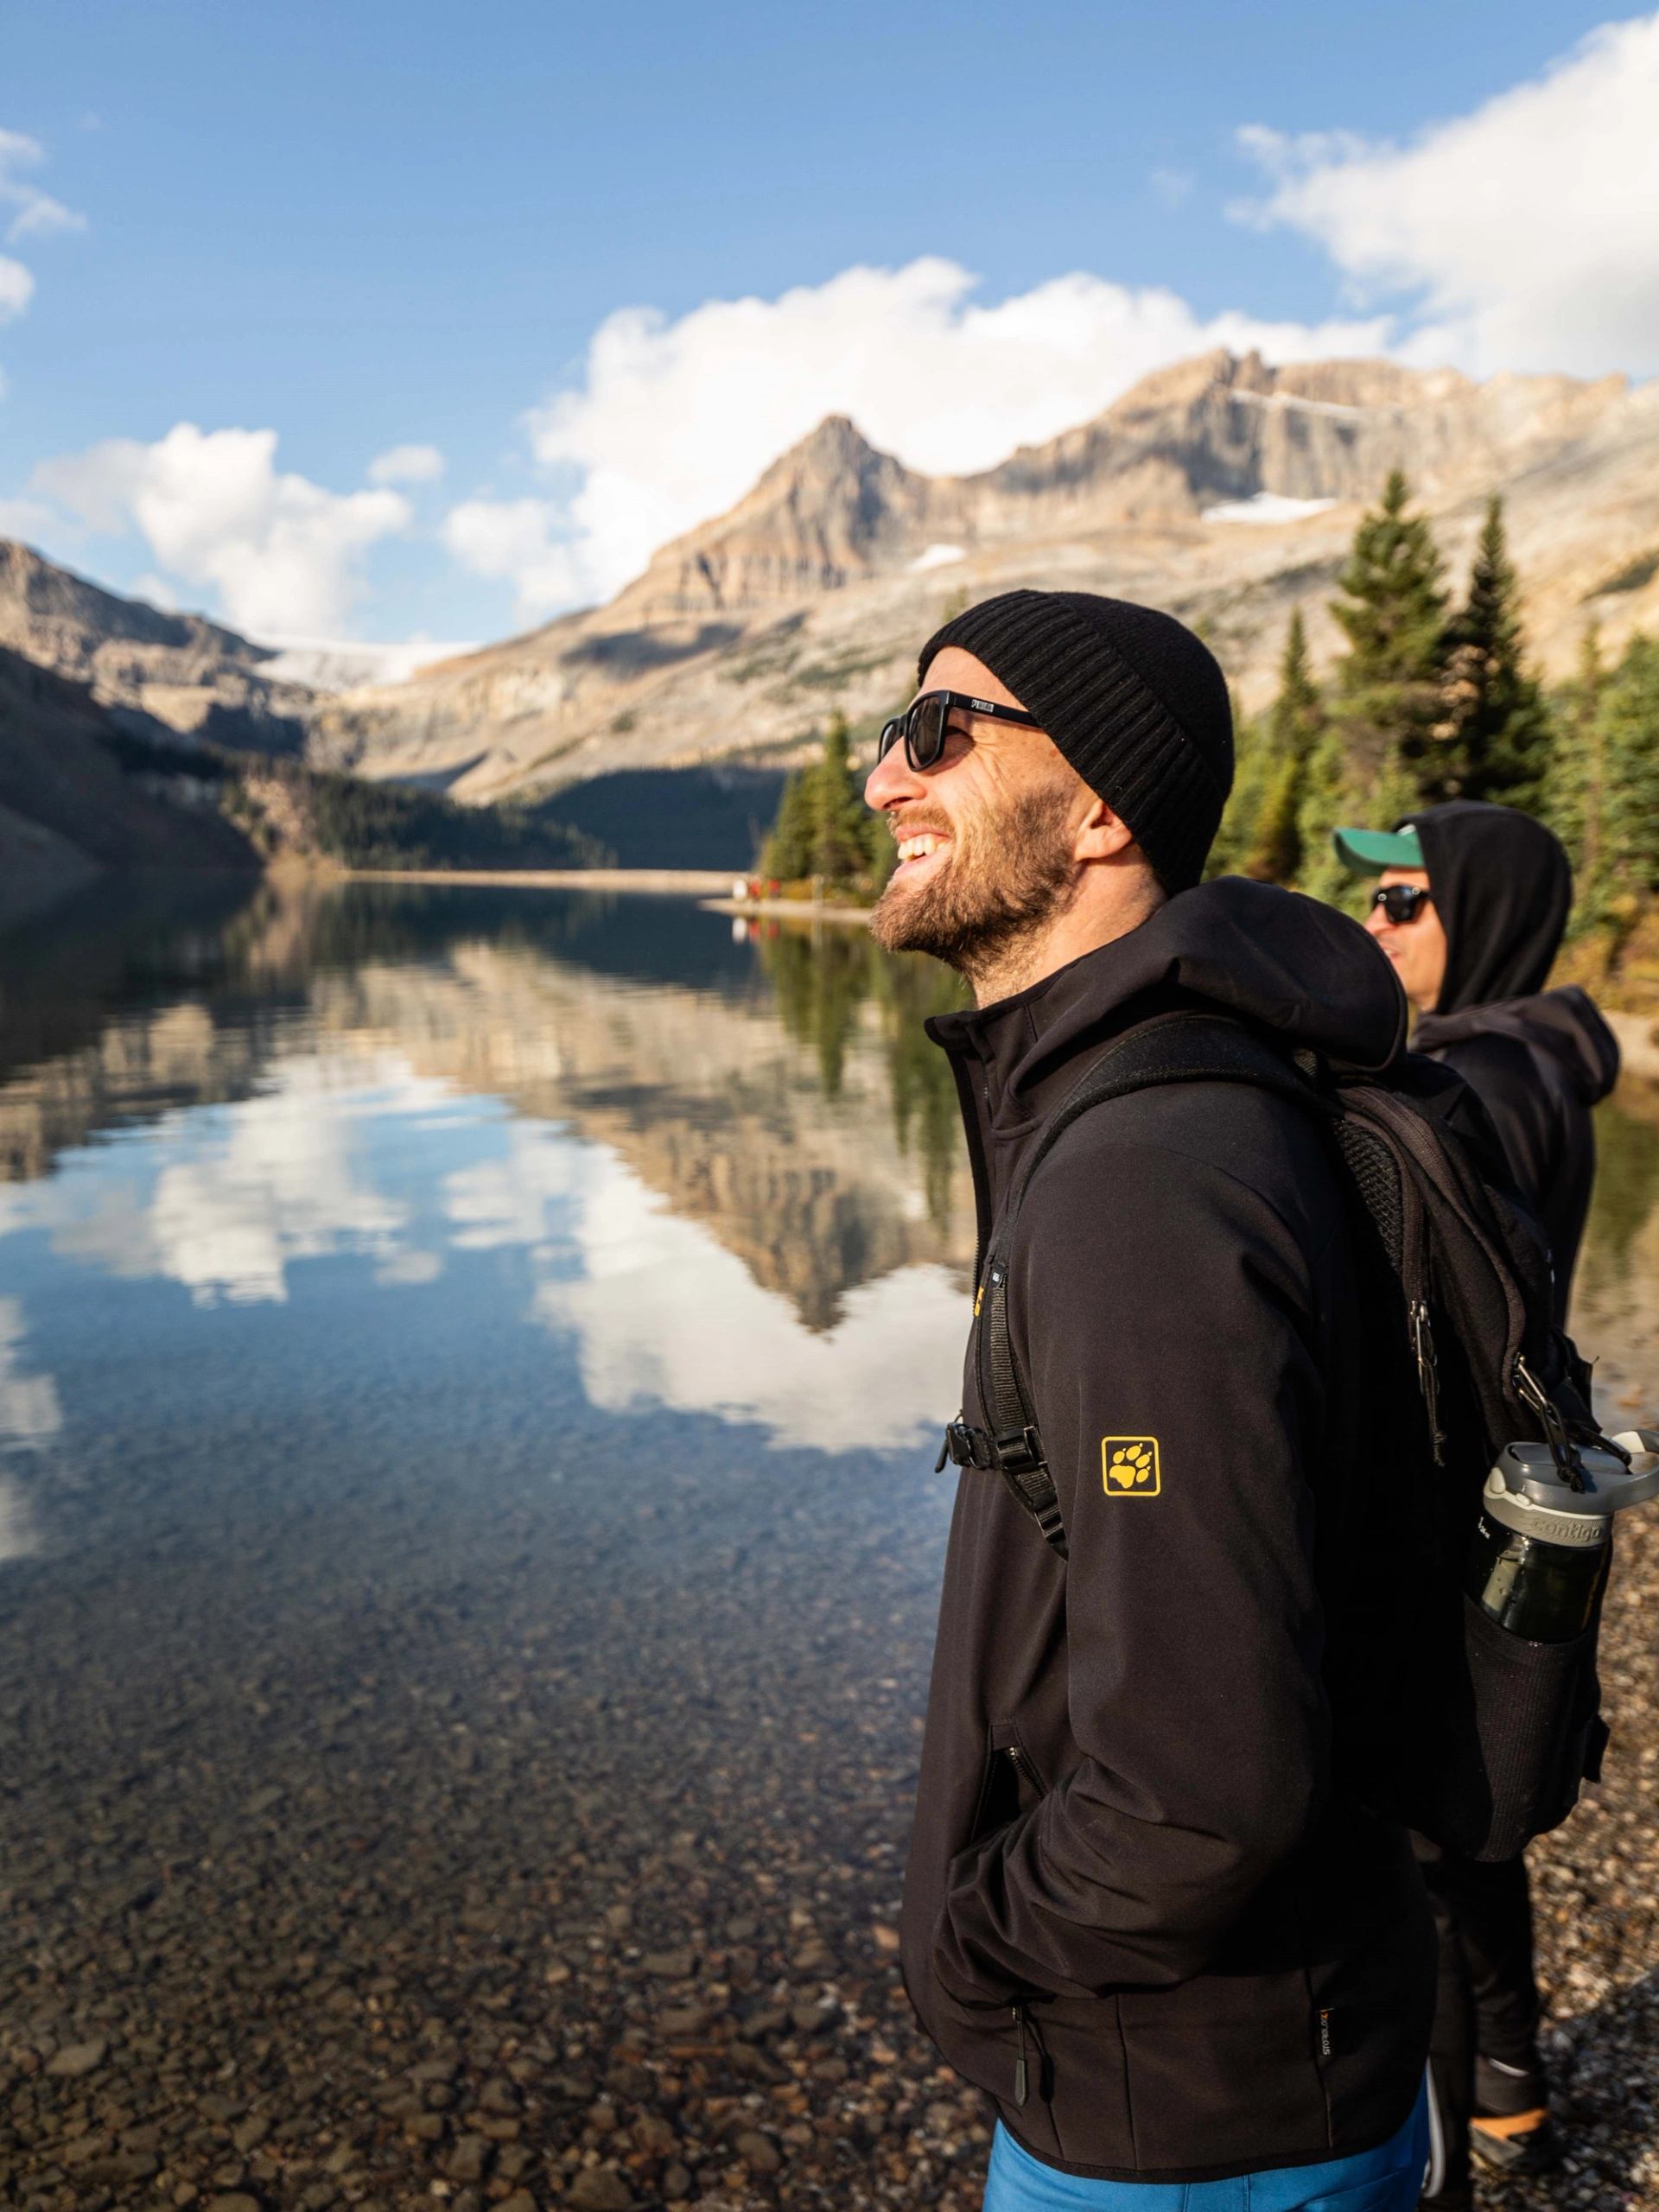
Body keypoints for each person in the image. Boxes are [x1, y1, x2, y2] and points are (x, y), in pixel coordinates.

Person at [866, 588, 1434, 2212]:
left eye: (940, 732)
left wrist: (970, 1947)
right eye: (893, 734)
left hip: (1188, 2112)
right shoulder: (1155, 1102)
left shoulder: (1144, 1181)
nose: (885, 778)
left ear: (1102, 809)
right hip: (1245, 2068)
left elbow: (1201, 1794)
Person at [1333, 802, 1620, 2208]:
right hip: (1507, 1496)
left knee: (1421, 1848)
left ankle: (1438, 2149)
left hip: (1451, 1513)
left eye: (1405, 900)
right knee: (1473, 1819)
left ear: (1486, 913)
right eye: (1373, 899)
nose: (1373, 921)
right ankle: (1512, 2085)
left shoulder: (1479, 1080)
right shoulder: (1526, 1057)